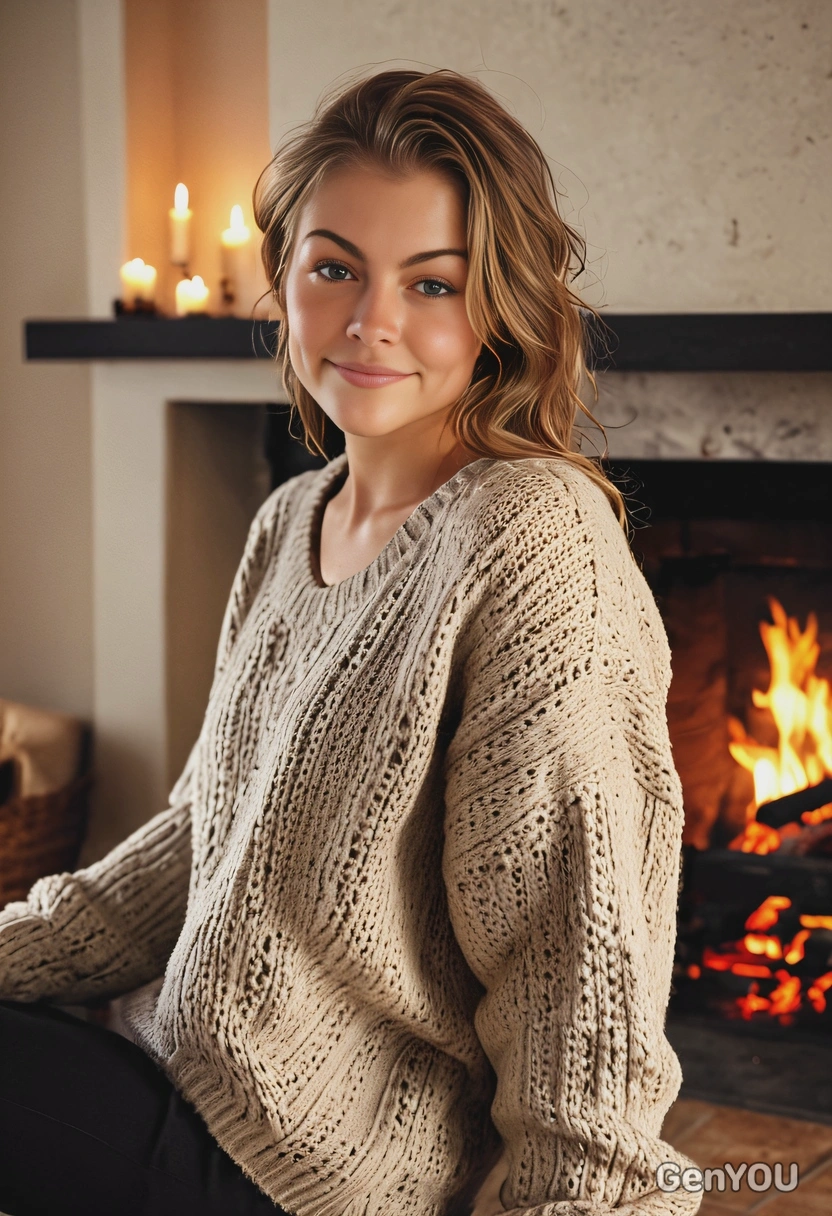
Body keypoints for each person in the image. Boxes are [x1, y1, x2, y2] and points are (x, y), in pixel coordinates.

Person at [0, 69, 701, 1216]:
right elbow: (206, 838)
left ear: (497, 310)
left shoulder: (534, 541)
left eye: (432, 283)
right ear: (282, 277)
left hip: (309, 1173)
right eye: (334, 268)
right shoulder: (292, 519)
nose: (372, 319)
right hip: (173, 1064)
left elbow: (574, 964)